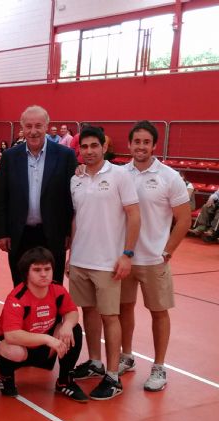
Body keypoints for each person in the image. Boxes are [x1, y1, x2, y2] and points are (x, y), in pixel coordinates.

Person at [117, 121, 191, 392]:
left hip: (153, 260)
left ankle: (159, 366)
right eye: (136, 141)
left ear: (154, 146)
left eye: (146, 142)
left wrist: (167, 251)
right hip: (125, 258)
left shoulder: (169, 177)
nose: (140, 146)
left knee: (158, 313)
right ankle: (126, 356)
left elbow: (183, 220)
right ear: (129, 144)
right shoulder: (119, 173)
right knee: (124, 309)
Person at [69, 126, 140, 400]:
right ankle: (95, 362)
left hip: (108, 262)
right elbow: (77, 218)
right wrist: (71, 254)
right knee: (88, 311)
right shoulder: (75, 179)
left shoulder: (120, 175)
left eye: (93, 146)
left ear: (103, 147)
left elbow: (134, 215)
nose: (88, 151)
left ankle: (113, 375)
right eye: (84, 147)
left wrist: (127, 254)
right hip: (80, 260)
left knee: (110, 316)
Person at [0, 105, 78, 286]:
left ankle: (52, 316)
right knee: (20, 286)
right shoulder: (10, 157)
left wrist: (68, 233)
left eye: (38, 126)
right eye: (29, 126)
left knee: (53, 287)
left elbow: (69, 198)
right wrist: (1, 233)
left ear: (47, 126)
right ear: (22, 128)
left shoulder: (66, 156)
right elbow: (2, 197)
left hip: (53, 235)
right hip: (19, 235)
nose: (33, 131)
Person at [0, 247, 87, 402]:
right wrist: (48, 340)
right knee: (13, 351)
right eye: (37, 270)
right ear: (26, 273)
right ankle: (6, 376)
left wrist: (67, 325)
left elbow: (72, 312)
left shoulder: (57, 290)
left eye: (47, 269)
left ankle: (64, 381)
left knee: (74, 329)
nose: (44, 274)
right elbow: (12, 335)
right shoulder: (17, 298)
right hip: (15, 346)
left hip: (42, 347)